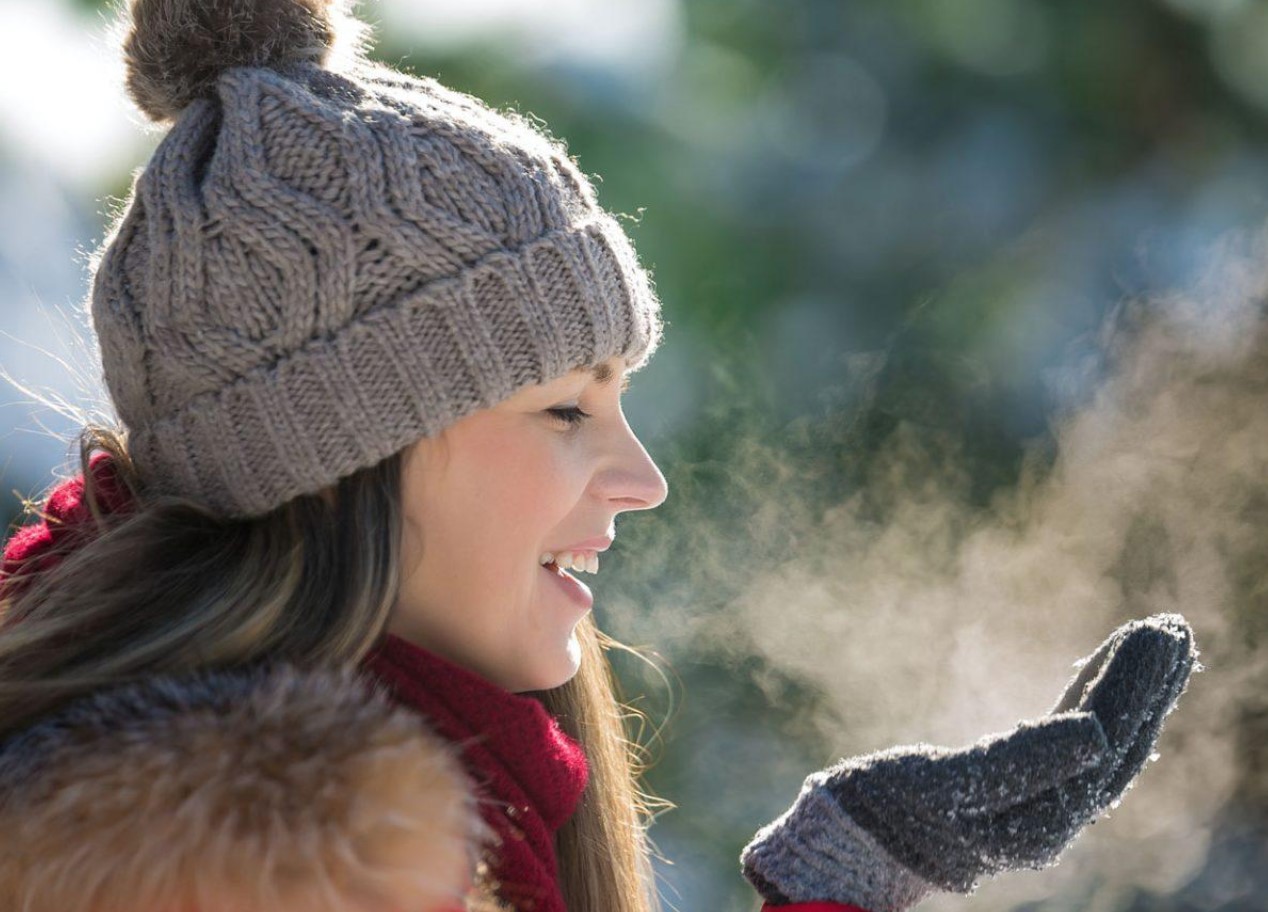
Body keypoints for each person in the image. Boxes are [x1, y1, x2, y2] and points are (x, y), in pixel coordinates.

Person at [0, 2, 1197, 911]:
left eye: (616, 400)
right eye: (564, 411)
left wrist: (857, 868)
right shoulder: (241, 863)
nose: (642, 478)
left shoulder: (329, 807)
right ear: (336, 456)